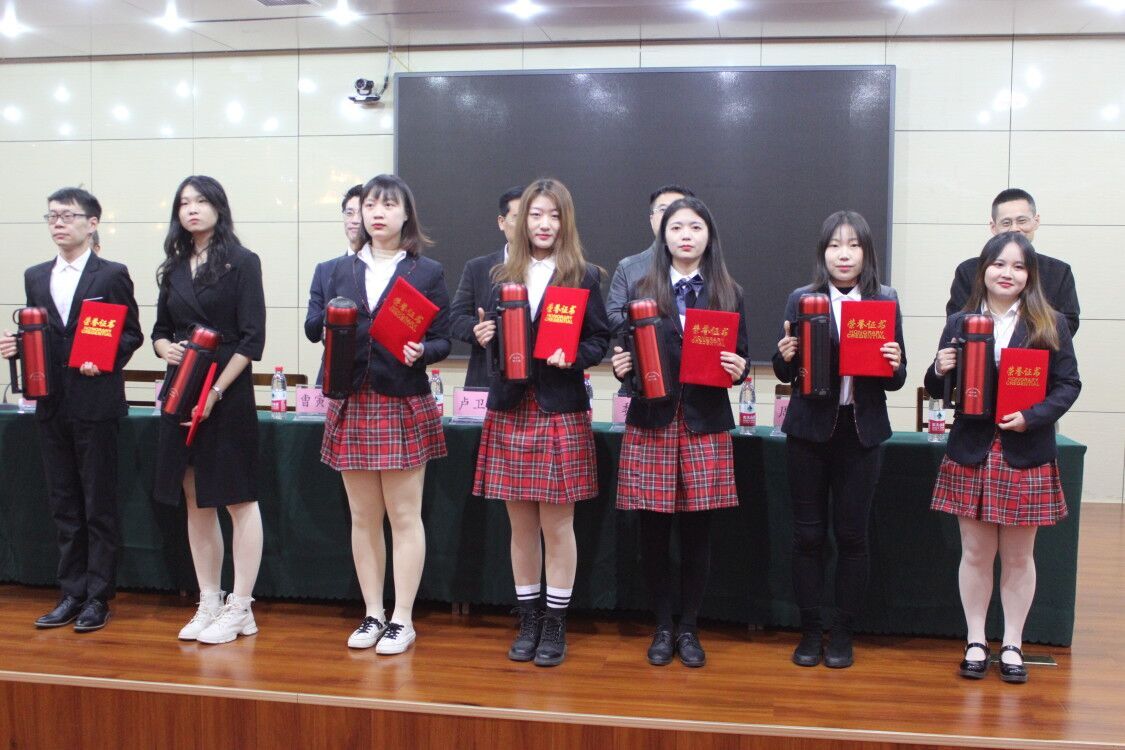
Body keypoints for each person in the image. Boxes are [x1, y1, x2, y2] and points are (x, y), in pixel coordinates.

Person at [927, 232, 1080, 684]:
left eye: (1017, 266)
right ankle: (975, 640)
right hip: (972, 450)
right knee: (975, 553)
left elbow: (1068, 385)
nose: (1007, 273)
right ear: (984, 270)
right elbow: (937, 388)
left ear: (1029, 275)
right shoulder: (960, 321)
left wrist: (1032, 417)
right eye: (998, 264)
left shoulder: (1049, 322)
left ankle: (1012, 642)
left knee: (1018, 556)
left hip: (1025, 451)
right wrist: (939, 369)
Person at [471, 178, 610, 667]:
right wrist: (483, 335)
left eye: (553, 215)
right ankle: (528, 618)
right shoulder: (498, 275)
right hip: (510, 407)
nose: (544, 224)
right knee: (521, 525)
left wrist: (573, 356)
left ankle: (555, 622)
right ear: (521, 220)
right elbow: (483, 333)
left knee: (558, 524)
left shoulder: (583, 275)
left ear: (565, 220)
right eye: (536, 214)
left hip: (559, 407)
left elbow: (599, 340)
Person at [610, 196, 748, 668]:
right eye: (676, 228)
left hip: (704, 423)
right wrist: (623, 366)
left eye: (695, 227)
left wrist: (738, 368)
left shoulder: (729, 292)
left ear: (709, 236)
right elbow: (627, 355)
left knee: (697, 535)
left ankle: (689, 627)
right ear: (662, 236)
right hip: (653, 421)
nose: (685, 235)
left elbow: (740, 356)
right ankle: (663, 625)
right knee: (653, 533)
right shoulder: (642, 290)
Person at [320, 174, 451, 655]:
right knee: (362, 516)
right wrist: (333, 319)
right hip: (351, 400)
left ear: (405, 214)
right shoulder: (335, 270)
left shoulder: (426, 271)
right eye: (370, 205)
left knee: (404, 515)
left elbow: (443, 338)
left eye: (389, 205)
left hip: (401, 399)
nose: (377, 213)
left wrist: (424, 351)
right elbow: (315, 325)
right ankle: (373, 612)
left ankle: (402, 618)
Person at [0, 187, 142, 632]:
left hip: (95, 401)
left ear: (92, 223)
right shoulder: (36, 276)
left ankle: (98, 596)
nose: (58, 223)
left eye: (67, 215)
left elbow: (131, 334)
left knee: (98, 502)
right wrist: (17, 345)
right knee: (63, 502)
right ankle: (71, 592)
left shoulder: (111, 274)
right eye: (52, 216)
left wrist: (105, 358)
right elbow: (41, 334)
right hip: (50, 402)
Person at [773, 210, 907, 669]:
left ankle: (844, 632)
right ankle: (811, 630)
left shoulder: (884, 299)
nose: (843, 254)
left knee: (852, 536)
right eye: (834, 245)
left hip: (860, 432)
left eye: (853, 245)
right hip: (808, 433)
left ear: (866, 253)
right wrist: (784, 355)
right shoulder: (802, 299)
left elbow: (896, 380)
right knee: (808, 536)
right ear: (823, 252)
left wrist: (894, 362)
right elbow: (786, 372)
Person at [151, 175, 267, 645]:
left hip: (226, 392)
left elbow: (252, 340)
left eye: (200, 201)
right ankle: (209, 600)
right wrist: (164, 349)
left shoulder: (243, 261)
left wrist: (216, 391)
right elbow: (159, 330)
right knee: (194, 496)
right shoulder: (174, 266)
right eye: (184, 203)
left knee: (238, 499)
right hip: (180, 388)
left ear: (219, 207)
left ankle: (242, 607)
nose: (192, 209)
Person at [947, 188, 1079, 336]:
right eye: (1006, 223)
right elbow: (956, 322)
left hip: (1038, 349)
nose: (1015, 229)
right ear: (993, 227)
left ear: (1036, 221)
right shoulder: (968, 270)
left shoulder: (1059, 272)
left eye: (1022, 221)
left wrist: (1020, 341)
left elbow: (1069, 323)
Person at [450, 185, 524, 388]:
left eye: (531, 217)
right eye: (518, 217)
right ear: (502, 222)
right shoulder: (478, 268)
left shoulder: (552, 270)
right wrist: (477, 329)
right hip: (488, 380)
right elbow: (455, 319)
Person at [606, 185, 695, 336]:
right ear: (651, 219)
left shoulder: (709, 267)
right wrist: (649, 321)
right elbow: (612, 318)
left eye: (678, 209)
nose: (670, 216)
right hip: (647, 348)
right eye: (663, 209)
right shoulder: (628, 268)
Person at [305, 184, 365, 386]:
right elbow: (311, 331)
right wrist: (335, 309)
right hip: (332, 374)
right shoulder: (326, 269)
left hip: (372, 377)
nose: (354, 220)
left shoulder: (384, 270)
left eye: (360, 213)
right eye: (349, 213)